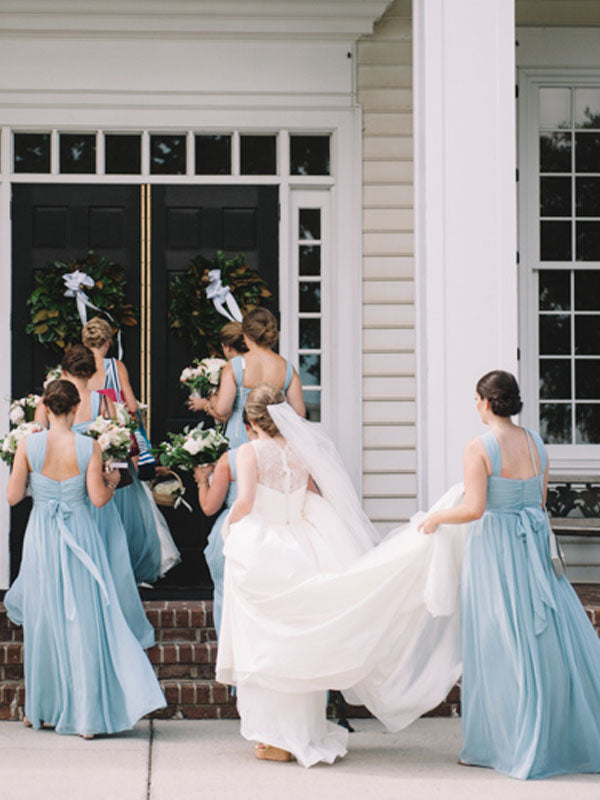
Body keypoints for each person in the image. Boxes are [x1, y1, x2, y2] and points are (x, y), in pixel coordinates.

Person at [217, 384, 467, 767]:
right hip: (303, 545)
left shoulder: (248, 452)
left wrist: (229, 528)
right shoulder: (301, 451)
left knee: (268, 641)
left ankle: (276, 736)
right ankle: (304, 732)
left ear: (250, 420)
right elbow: (315, 495)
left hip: (265, 547)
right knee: (305, 639)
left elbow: (246, 501)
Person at [419, 370, 600, 779]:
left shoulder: (479, 446)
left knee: (495, 642)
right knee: (544, 641)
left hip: (496, 551)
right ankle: (548, 734)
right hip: (534, 545)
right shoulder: (535, 442)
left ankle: (497, 744)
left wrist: (436, 518)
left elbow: (474, 509)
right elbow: (537, 501)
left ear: (484, 402)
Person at [4, 380, 165, 736]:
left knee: (44, 619)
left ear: (45, 407)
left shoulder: (28, 445)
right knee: (85, 621)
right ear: (76, 408)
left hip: (43, 536)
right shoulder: (89, 446)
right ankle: (87, 717)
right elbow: (97, 500)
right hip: (81, 535)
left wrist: (39, 484)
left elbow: (13, 497)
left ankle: (39, 709)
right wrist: (110, 481)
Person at [38, 345, 155, 649]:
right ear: (92, 372)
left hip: (67, 490)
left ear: (63, 371)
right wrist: (111, 478)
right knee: (108, 555)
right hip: (98, 490)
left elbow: (38, 439)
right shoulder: (104, 399)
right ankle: (112, 622)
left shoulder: (52, 400)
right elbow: (117, 443)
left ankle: (73, 623)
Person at [81, 317, 178, 583]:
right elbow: (132, 406)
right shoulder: (115, 366)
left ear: (84, 341)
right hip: (113, 442)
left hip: (85, 444)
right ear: (108, 342)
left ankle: (94, 567)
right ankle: (126, 570)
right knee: (125, 507)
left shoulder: (77, 369)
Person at [200, 310, 305, 450]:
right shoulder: (287, 368)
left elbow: (222, 409)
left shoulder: (235, 365)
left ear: (245, 335)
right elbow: (299, 414)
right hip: (274, 442)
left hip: (240, 439)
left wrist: (211, 402)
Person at [193, 417, 256, 637]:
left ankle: (230, 657)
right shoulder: (290, 458)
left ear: (247, 427)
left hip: (234, 532)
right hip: (276, 532)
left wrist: (202, 481)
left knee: (226, 594)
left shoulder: (230, 459)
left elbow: (209, 507)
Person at [187, 321, 248, 422]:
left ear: (227, 347)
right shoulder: (256, 364)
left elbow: (224, 415)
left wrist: (205, 405)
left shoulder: (231, 367)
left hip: (237, 428)